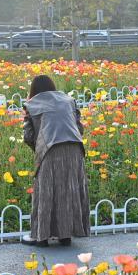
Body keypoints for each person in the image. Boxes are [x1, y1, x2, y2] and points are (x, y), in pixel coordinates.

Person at [22, 75, 89, 247]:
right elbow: (79, 127)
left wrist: (38, 149)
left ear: (33, 91)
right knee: (69, 188)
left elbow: (28, 136)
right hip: (75, 147)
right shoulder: (68, 100)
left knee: (46, 191)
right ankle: (65, 235)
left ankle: (41, 237)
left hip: (50, 148)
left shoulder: (32, 105)